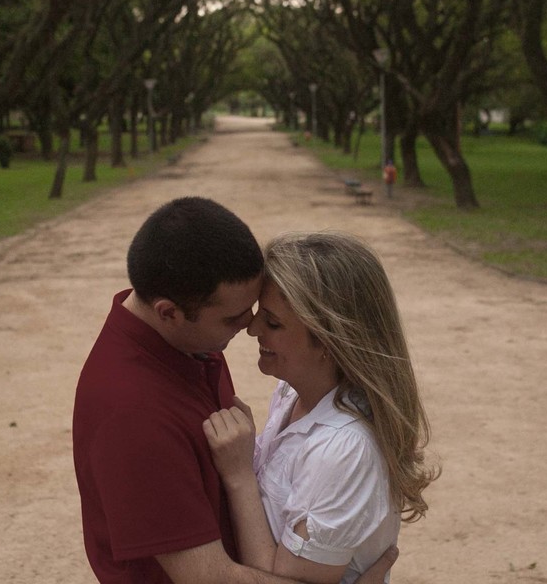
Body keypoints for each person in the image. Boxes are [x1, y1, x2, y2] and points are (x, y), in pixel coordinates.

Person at [73, 198, 398, 584]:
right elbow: (210, 578)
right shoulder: (132, 412)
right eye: (233, 318)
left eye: (260, 314)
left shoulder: (191, 341)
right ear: (169, 312)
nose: (249, 327)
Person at [203, 231, 436, 584]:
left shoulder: (343, 448)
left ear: (329, 339)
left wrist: (239, 476)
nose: (253, 329)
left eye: (273, 322)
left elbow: (283, 581)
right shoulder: (292, 393)